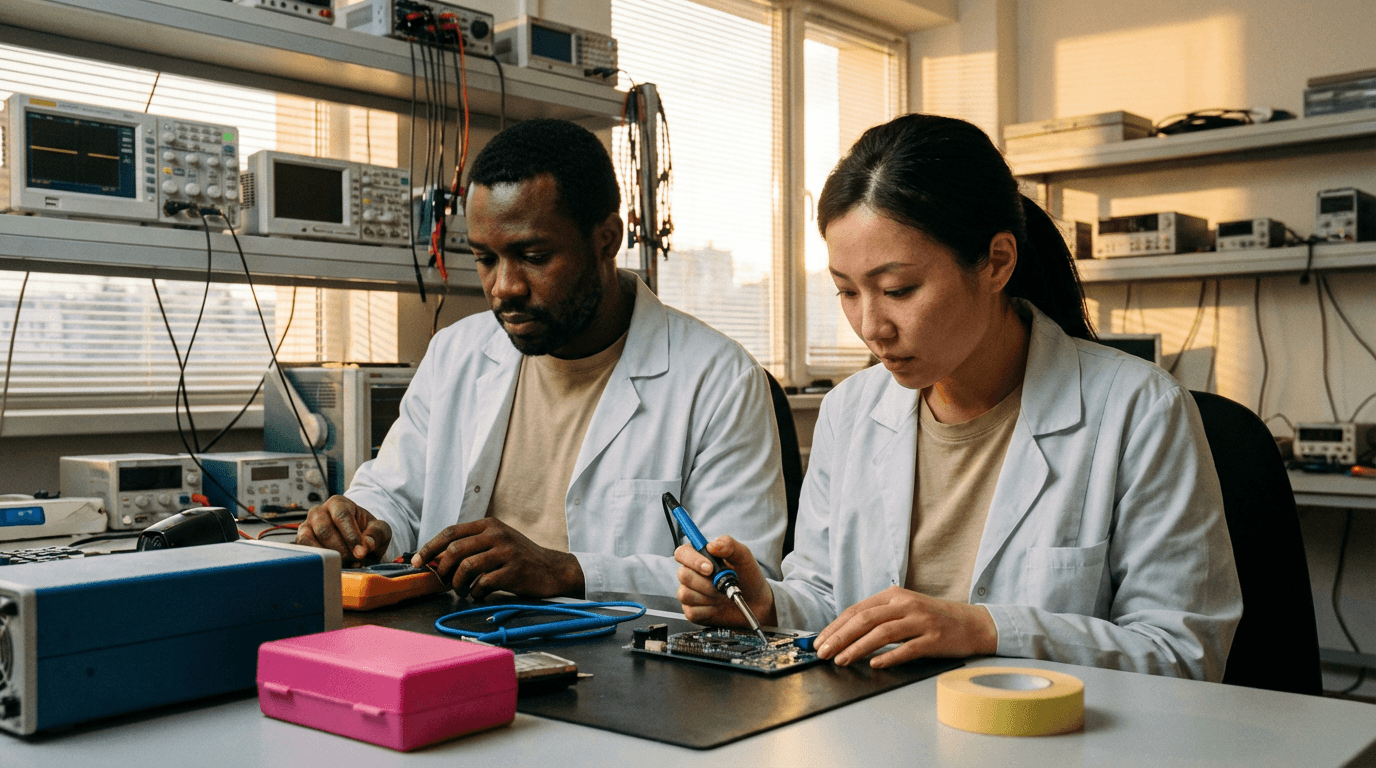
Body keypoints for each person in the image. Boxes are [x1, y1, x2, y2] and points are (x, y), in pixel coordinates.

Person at [675, 113, 1242, 682]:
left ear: (996, 261)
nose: (871, 327)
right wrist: (768, 604)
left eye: (899, 290)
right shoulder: (850, 412)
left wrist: (987, 629)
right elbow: (829, 599)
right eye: (847, 291)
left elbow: (1183, 653)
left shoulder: (1139, 410)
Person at [297, 118, 786, 600]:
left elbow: (740, 583)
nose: (504, 287)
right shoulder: (456, 354)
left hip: (622, 666)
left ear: (607, 240)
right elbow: (395, 496)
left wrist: (568, 572)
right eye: (486, 258)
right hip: (454, 642)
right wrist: (359, 523)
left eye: (533, 255)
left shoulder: (719, 379)